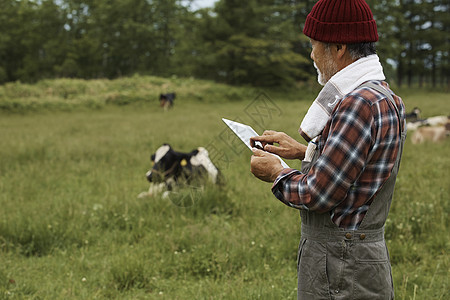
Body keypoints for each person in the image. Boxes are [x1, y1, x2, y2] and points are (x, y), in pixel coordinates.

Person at [250, 0, 406, 299]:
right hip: (362, 258)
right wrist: (303, 152)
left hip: (340, 262)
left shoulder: (356, 104)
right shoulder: (383, 95)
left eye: (315, 44)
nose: (312, 54)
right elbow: (359, 166)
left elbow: (317, 194)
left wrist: (276, 173)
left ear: (339, 48)